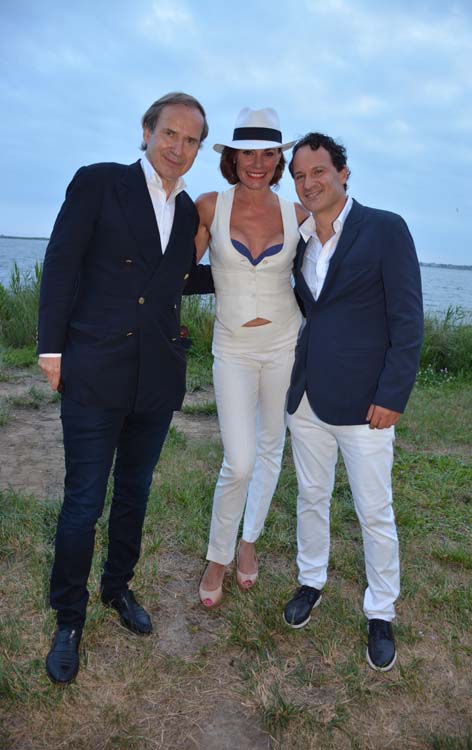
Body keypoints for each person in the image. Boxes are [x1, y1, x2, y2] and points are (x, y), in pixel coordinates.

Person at [38, 92, 214, 684]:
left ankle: (117, 589)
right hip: (95, 367)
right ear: (147, 131)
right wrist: (51, 347)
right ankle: (69, 616)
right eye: (171, 134)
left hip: (156, 376)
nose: (179, 149)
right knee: (84, 502)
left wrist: (261, 270)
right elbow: (62, 262)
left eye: (191, 141)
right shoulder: (99, 183)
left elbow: (177, 280)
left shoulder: (188, 212)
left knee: (134, 494)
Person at [282, 133, 423, 671]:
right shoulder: (300, 240)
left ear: (343, 173)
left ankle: (381, 609)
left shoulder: (385, 229)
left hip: (368, 404)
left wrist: (393, 394)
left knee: (373, 509)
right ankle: (311, 580)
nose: (310, 182)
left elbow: (407, 320)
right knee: (311, 497)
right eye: (300, 175)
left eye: (319, 171)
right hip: (308, 398)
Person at [195, 108, 308, 607]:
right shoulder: (209, 207)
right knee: (238, 461)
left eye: (268, 154)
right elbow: (173, 269)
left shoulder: (296, 214)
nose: (257, 163)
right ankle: (216, 556)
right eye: (248, 154)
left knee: (269, 448)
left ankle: (247, 545)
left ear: (278, 160)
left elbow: (324, 274)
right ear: (233, 158)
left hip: (286, 342)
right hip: (234, 347)